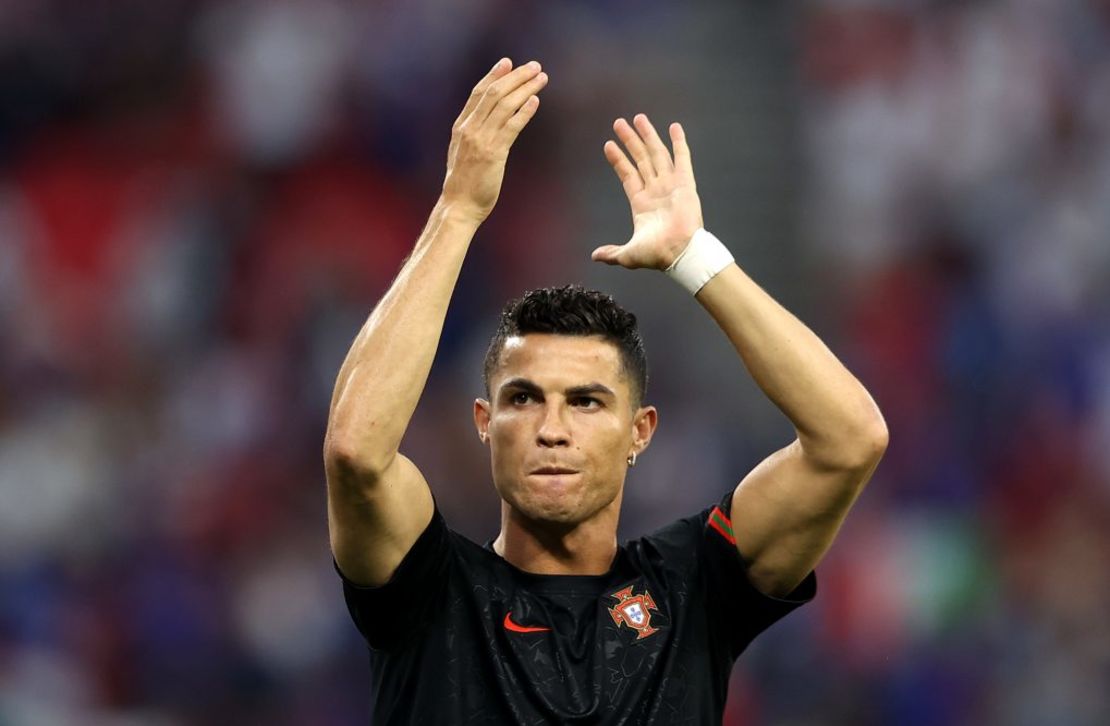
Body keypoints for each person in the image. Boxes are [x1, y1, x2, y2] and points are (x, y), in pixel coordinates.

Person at [324, 58, 887, 724]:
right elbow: (356, 453)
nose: (552, 428)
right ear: (484, 421)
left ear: (640, 431)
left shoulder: (690, 588)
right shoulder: (430, 593)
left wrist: (695, 256)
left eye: (585, 401)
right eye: (524, 398)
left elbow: (851, 440)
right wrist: (457, 212)